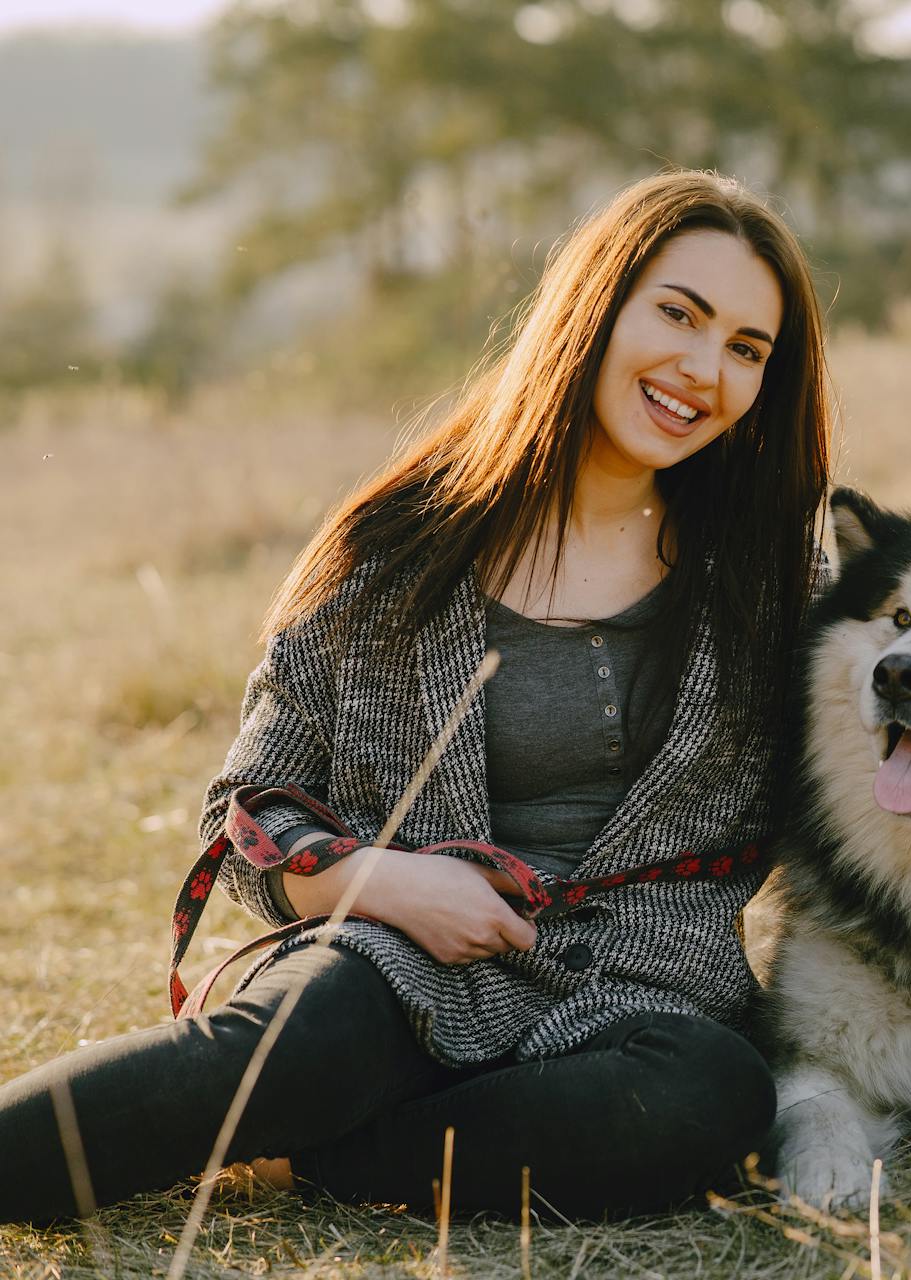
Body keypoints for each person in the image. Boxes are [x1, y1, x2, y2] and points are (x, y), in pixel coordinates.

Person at [0, 171, 832, 1223]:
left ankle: (318, 1161)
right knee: (305, 1045)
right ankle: (294, 1110)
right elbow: (250, 810)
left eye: (748, 349)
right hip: (395, 962)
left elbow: (869, 779)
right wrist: (380, 881)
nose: (703, 368)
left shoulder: (778, 577)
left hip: (639, 1003)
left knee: (714, 1096)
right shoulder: (401, 546)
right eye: (679, 314)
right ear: (597, 303)